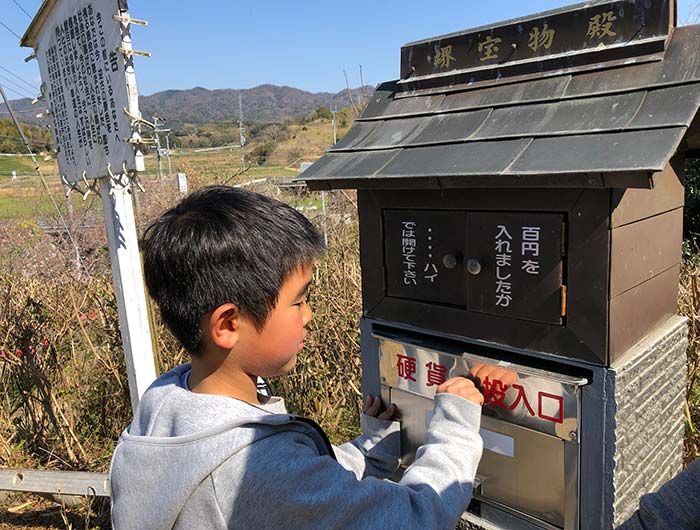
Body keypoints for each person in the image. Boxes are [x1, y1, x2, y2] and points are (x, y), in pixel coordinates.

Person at [109, 185, 485, 530]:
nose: (308, 316)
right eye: (298, 301)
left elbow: (305, 488)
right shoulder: (253, 468)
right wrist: (456, 428)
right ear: (227, 325)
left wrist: (371, 450)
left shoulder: (167, 406)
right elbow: (415, 518)